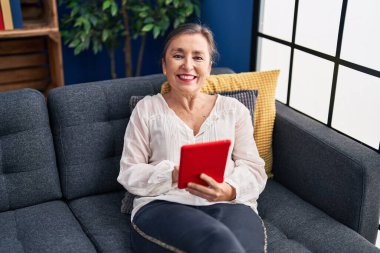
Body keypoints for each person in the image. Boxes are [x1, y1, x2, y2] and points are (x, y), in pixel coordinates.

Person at [117, 23, 267, 253]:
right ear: (165, 65)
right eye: (178, 55)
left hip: (230, 205)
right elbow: (129, 172)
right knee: (219, 241)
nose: (187, 65)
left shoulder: (234, 110)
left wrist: (228, 190)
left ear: (209, 66)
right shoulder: (146, 109)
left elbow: (254, 169)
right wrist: (172, 174)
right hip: (164, 205)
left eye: (198, 57)